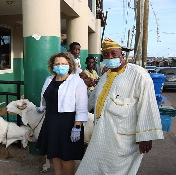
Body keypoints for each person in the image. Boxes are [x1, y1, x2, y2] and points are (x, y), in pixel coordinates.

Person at [76, 38, 164, 175]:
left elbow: (147, 104)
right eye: (106, 55)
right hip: (101, 134)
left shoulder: (138, 74)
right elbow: (93, 100)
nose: (109, 57)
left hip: (124, 139)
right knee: (95, 166)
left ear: (122, 55)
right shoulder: (105, 76)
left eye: (113, 53)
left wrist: (146, 136)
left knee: (117, 170)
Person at [36, 52, 88, 175]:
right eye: (57, 64)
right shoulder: (49, 80)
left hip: (68, 121)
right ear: (52, 66)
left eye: (64, 64)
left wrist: (77, 127)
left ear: (70, 66)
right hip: (51, 120)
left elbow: (81, 106)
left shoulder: (76, 81)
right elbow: (45, 97)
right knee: (54, 153)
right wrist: (42, 107)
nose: (60, 66)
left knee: (67, 155)